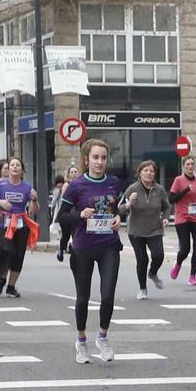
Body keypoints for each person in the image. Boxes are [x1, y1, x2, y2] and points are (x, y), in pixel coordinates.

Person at [58, 140, 123, 363]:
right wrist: (80, 215)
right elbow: (62, 217)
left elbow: (116, 210)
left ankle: (102, 337)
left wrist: (118, 218)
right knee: (83, 298)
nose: (100, 162)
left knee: (107, 295)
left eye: (103, 158)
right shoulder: (76, 186)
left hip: (109, 245)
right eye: (95, 157)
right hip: (83, 247)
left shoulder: (114, 182)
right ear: (87, 159)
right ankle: (81, 341)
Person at [120, 160, 169, 300]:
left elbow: (166, 207)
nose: (149, 173)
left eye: (151, 171)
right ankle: (142, 289)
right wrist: (129, 203)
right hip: (136, 231)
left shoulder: (159, 190)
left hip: (155, 229)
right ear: (140, 173)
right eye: (145, 170)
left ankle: (153, 273)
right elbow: (119, 209)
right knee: (142, 260)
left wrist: (165, 218)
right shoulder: (132, 189)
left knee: (158, 255)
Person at [0, 157, 36, 298]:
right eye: (12, 165)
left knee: (18, 256)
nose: (15, 167)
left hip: (21, 223)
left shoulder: (27, 187)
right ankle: (2, 278)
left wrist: (34, 199)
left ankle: (11, 286)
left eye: (18, 165)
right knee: (7, 251)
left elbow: (34, 210)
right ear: (8, 168)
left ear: (22, 170)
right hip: (2, 223)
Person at [168, 156, 196, 286]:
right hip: (183, 218)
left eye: (192, 164)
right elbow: (171, 199)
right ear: (184, 166)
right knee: (185, 249)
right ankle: (178, 264)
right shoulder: (178, 180)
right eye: (188, 164)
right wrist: (186, 190)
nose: (190, 167)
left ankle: (192, 276)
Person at [52, 162, 79, 262]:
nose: (74, 173)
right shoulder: (66, 185)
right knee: (66, 235)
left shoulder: (81, 183)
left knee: (76, 233)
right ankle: (61, 249)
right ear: (68, 174)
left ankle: (75, 251)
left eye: (75, 171)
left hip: (77, 213)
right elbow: (64, 199)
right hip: (68, 213)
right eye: (72, 172)